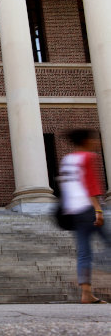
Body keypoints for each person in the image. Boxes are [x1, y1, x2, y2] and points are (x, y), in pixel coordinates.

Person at [59, 129, 111, 304]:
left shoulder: (67, 160)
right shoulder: (88, 157)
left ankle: (86, 293)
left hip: (74, 211)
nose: (96, 142)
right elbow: (91, 184)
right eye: (94, 139)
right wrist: (98, 210)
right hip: (88, 209)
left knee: (84, 253)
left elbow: (66, 186)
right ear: (86, 141)